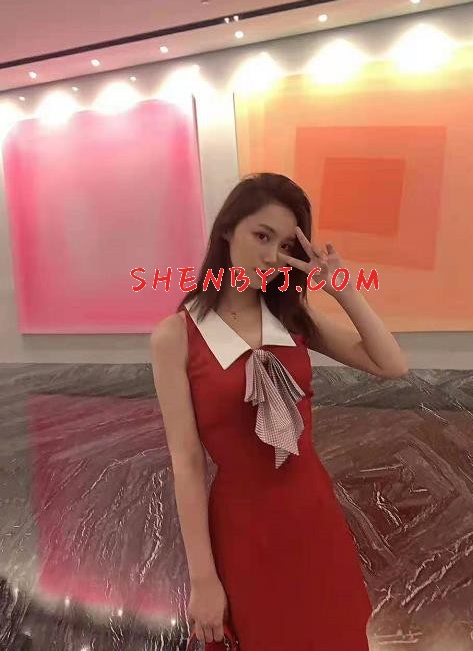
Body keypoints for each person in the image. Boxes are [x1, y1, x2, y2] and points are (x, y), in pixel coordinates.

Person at [150, 172, 408, 650]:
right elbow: (186, 463)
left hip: (312, 513)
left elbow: (391, 365)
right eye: (262, 236)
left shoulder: (292, 318)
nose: (272, 257)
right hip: (243, 527)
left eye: (285, 244)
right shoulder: (176, 336)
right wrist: (203, 579)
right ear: (227, 229)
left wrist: (342, 290)